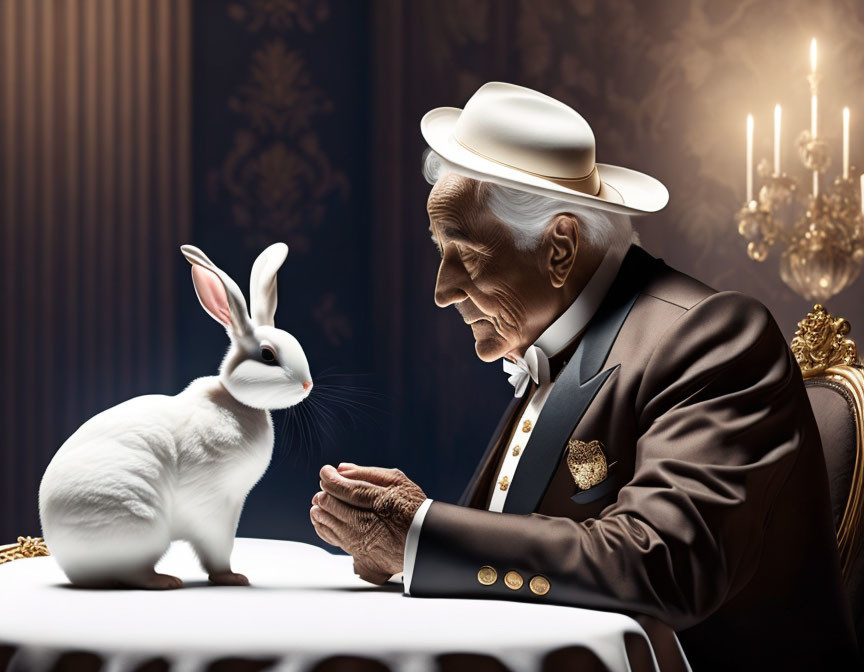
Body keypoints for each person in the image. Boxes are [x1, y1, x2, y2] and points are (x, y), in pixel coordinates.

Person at [310, 82, 859, 670]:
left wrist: (420, 532)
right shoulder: (557, 335)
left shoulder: (715, 337)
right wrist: (410, 545)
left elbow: (661, 564)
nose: (442, 291)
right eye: (439, 251)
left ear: (560, 249)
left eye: (463, 255)